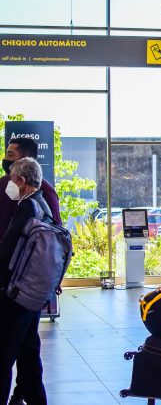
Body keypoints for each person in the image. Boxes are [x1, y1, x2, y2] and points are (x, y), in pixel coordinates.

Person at [1, 138, 61, 405]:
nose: (5, 159)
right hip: (29, 287)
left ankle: (25, 394)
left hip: (15, 285)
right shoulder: (41, 199)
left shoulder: (33, 201)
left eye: (10, 155)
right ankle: (31, 395)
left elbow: (11, 247)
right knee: (27, 347)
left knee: (8, 352)